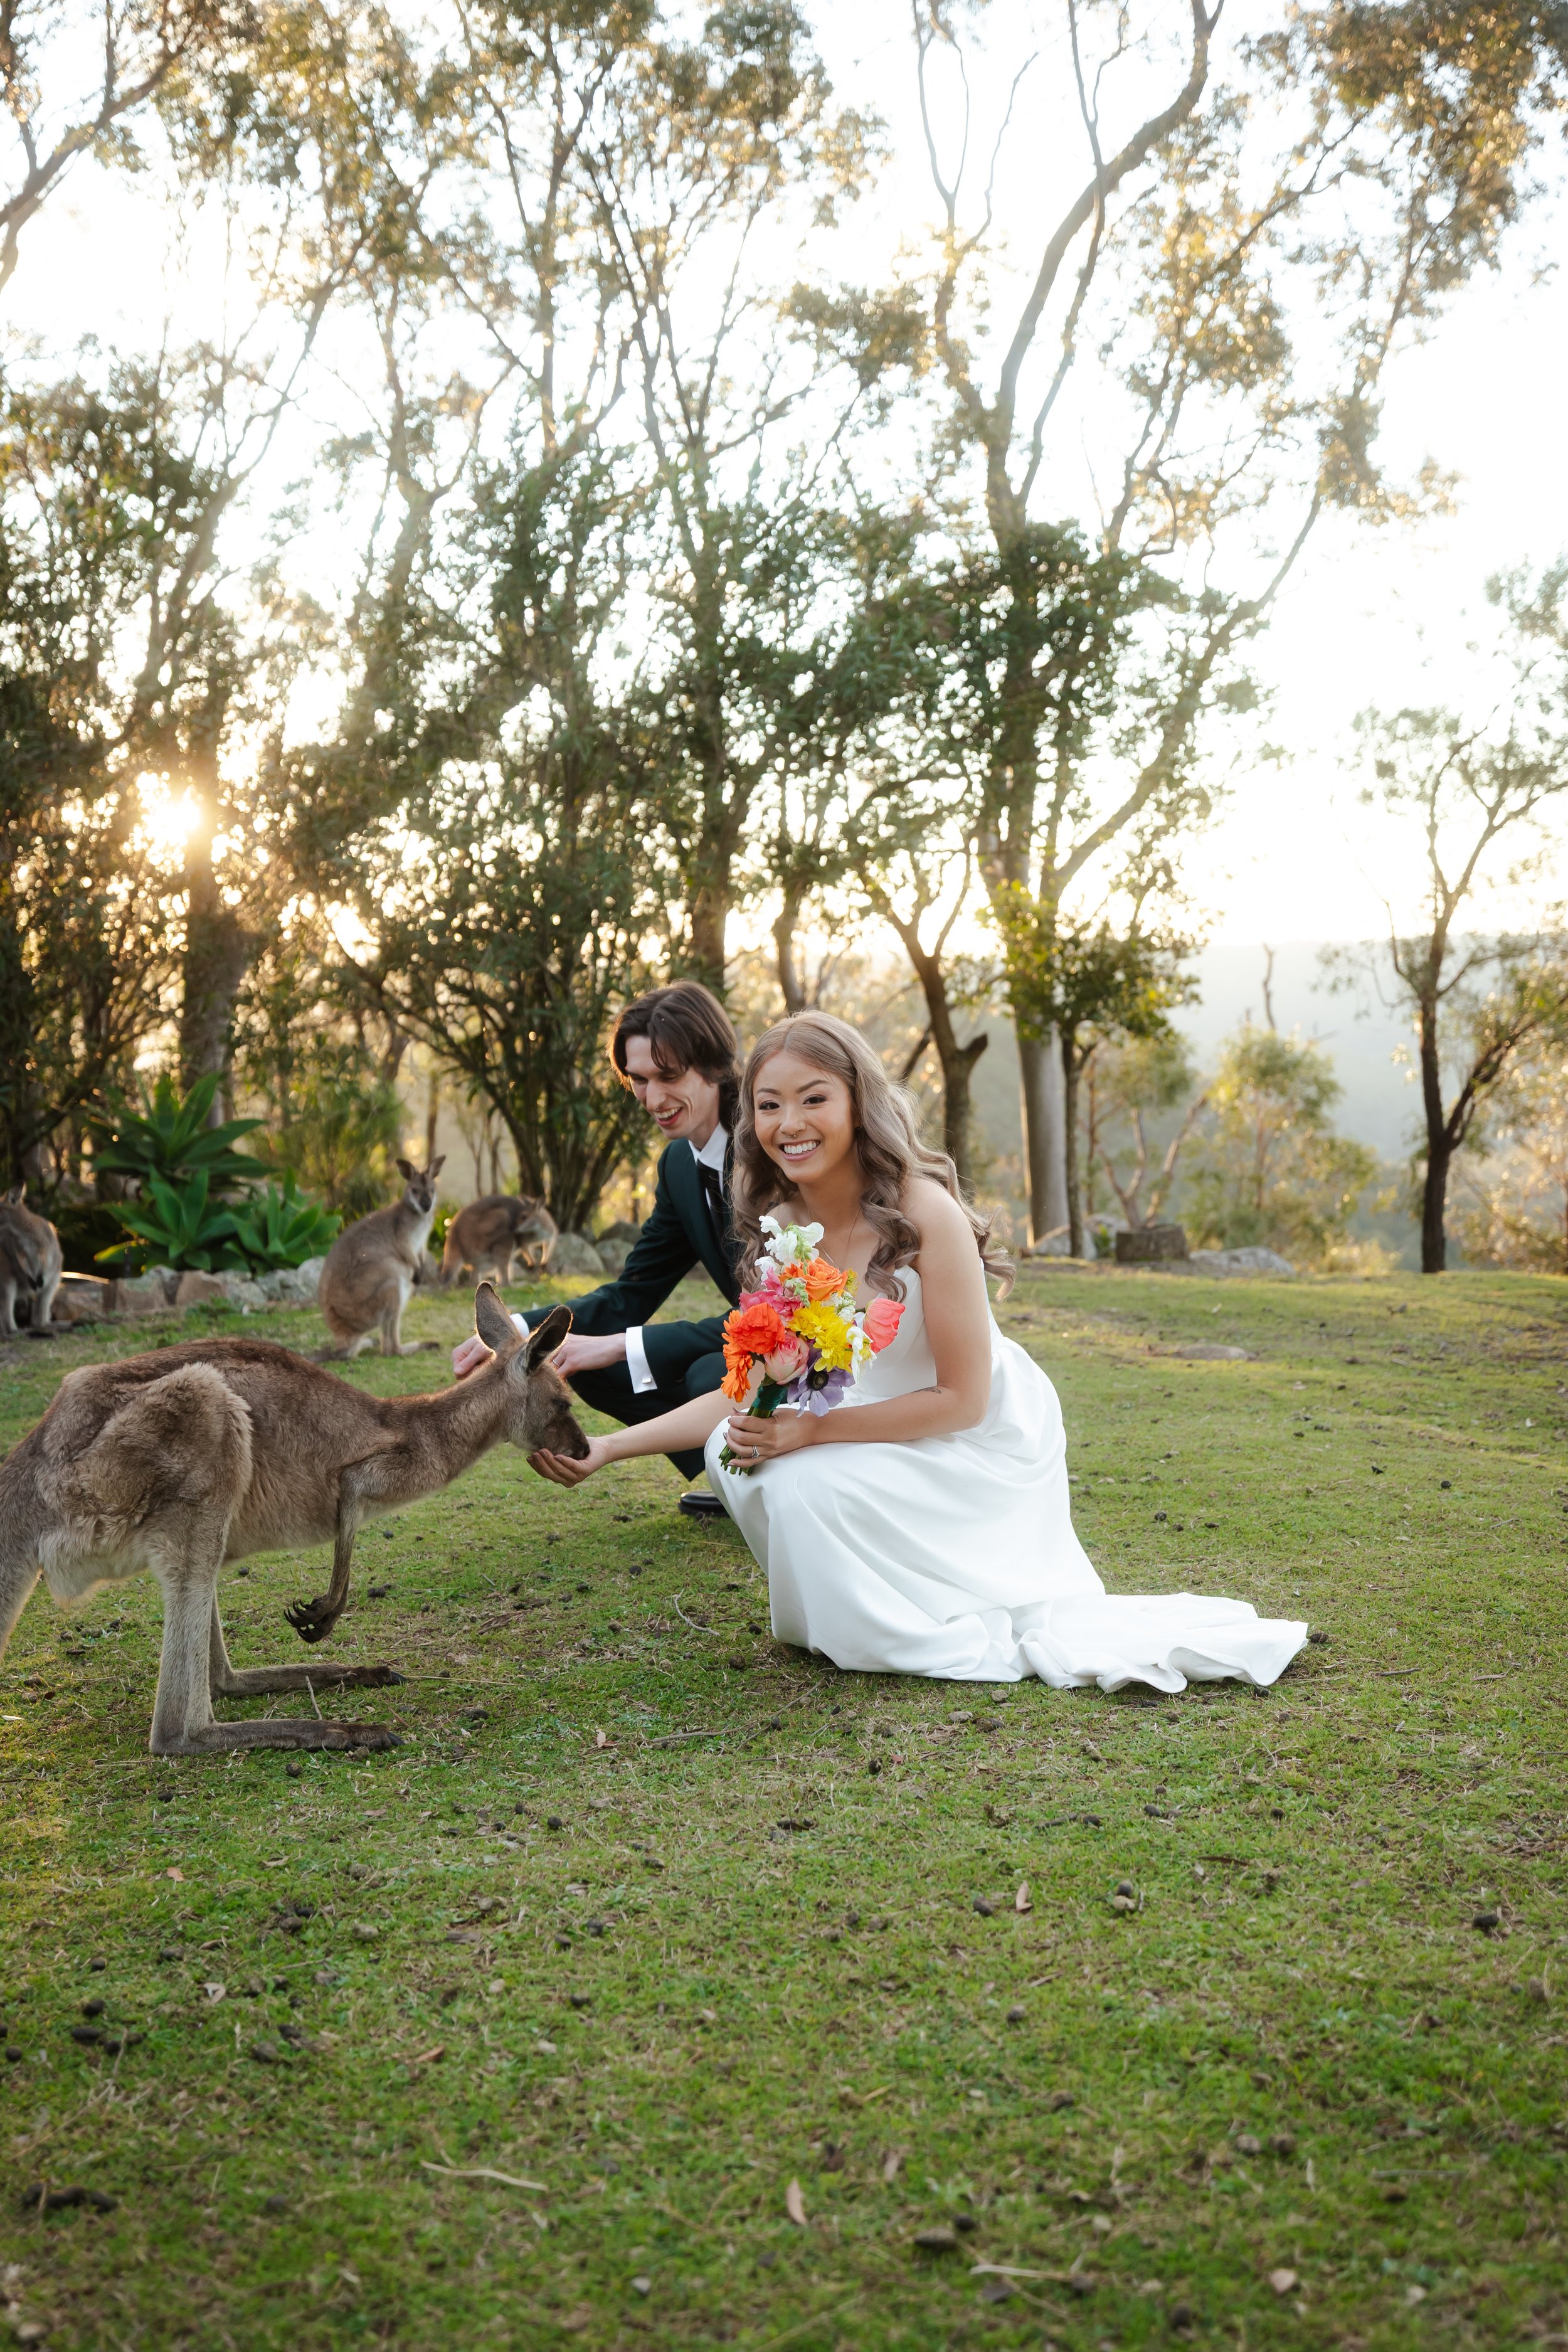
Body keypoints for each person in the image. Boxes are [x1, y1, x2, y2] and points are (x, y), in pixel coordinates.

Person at [525, 1010, 1309, 1693]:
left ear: (857, 1103)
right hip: (868, 1411)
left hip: (973, 1435)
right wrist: (607, 1450)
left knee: (800, 1480)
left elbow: (963, 1400)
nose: (788, 1122)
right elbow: (747, 1391)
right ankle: (840, 1618)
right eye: (769, 1105)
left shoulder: (925, 1211)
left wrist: (812, 1430)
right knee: (734, 1450)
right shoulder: (781, 1224)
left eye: (813, 1099)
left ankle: (907, 1628)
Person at [452, 980, 742, 1512]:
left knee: (707, 1375)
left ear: (715, 1063)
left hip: (807, 1342)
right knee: (582, 1357)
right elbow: (633, 1291)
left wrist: (625, 1344)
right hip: (757, 1336)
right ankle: (733, 1469)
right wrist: (520, 1329)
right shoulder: (678, 1165)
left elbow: (784, 1312)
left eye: (669, 1076)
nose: (652, 1100)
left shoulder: (772, 1143)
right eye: (639, 1080)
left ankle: (748, 1476)